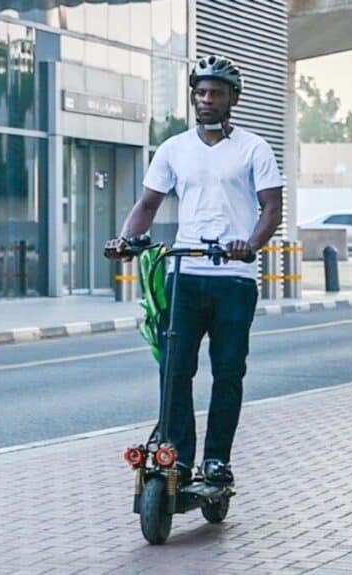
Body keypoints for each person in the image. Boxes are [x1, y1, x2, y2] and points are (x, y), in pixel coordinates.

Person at [105, 55, 283, 486]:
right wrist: (126, 240)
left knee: (228, 371)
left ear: (232, 99)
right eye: (200, 92)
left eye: (216, 93)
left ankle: (217, 460)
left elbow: (272, 208)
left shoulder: (253, 148)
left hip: (234, 280)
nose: (206, 100)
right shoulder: (173, 148)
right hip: (183, 275)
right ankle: (179, 458)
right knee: (174, 368)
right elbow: (147, 205)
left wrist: (251, 245)